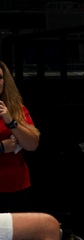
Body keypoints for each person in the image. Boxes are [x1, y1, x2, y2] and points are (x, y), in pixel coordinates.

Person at [0, 61, 42, 213]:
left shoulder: (15, 109)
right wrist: (2, 147)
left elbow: (32, 144)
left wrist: (11, 121)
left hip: (16, 188)